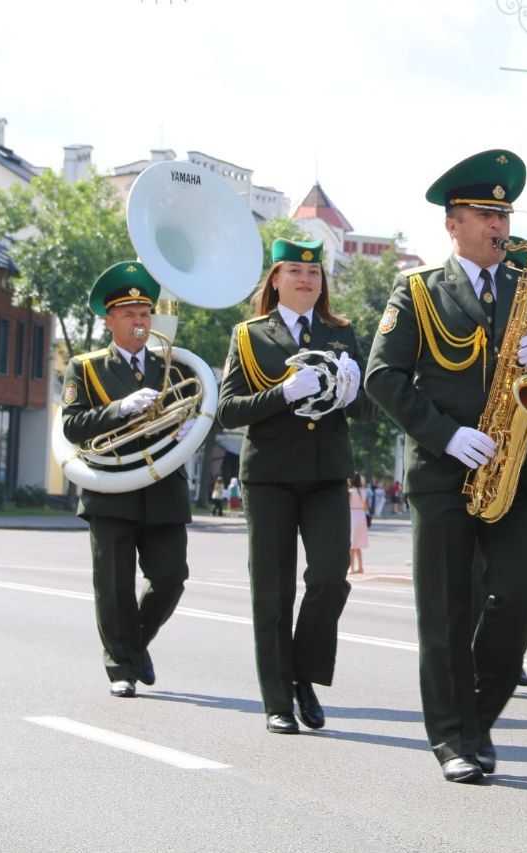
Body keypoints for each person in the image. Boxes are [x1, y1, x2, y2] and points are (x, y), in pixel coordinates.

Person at [364, 149, 527, 784]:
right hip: (444, 474)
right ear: (452, 223)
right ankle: (453, 739)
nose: (499, 224)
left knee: (519, 593)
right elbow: (382, 376)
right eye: (486, 213)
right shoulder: (418, 290)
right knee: (447, 610)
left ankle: (478, 716)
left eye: (504, 212)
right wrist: (445, 435)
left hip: (519, 470)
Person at [217, 237, 374, 735]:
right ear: (276, 279)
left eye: (314, 272)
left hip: (327, 473)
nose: (307, 279)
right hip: (269, 477)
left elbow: (371, 405)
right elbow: (228, 409)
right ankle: (276, 698)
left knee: (331, 577)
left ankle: (304, 673)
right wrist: (281, 393)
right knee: (272, 589)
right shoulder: (248, 336)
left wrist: (353, 391)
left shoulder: (341, 332)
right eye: (294, 271)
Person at [60, 261, 194, 698]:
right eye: (130, 314)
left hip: (162, 489)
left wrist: (192, 427)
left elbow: (193, 411)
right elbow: (73, 426)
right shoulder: (86, 367)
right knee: (114, 586)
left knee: (171, 577)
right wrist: (120, 410)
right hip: (110, 490)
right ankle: (121, 666)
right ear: (109, 320)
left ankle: (134, 645)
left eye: (144, 313)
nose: (140, 322)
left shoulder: (175, 365)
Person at [348, 473, 369, 575]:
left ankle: (351, 567)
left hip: (353, 516)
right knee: (358, 544)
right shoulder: (363, 491)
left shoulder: (351, 491)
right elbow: (366, 507)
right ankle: (360, 567)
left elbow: (347, 505)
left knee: (351, 544)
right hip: (361, 516)